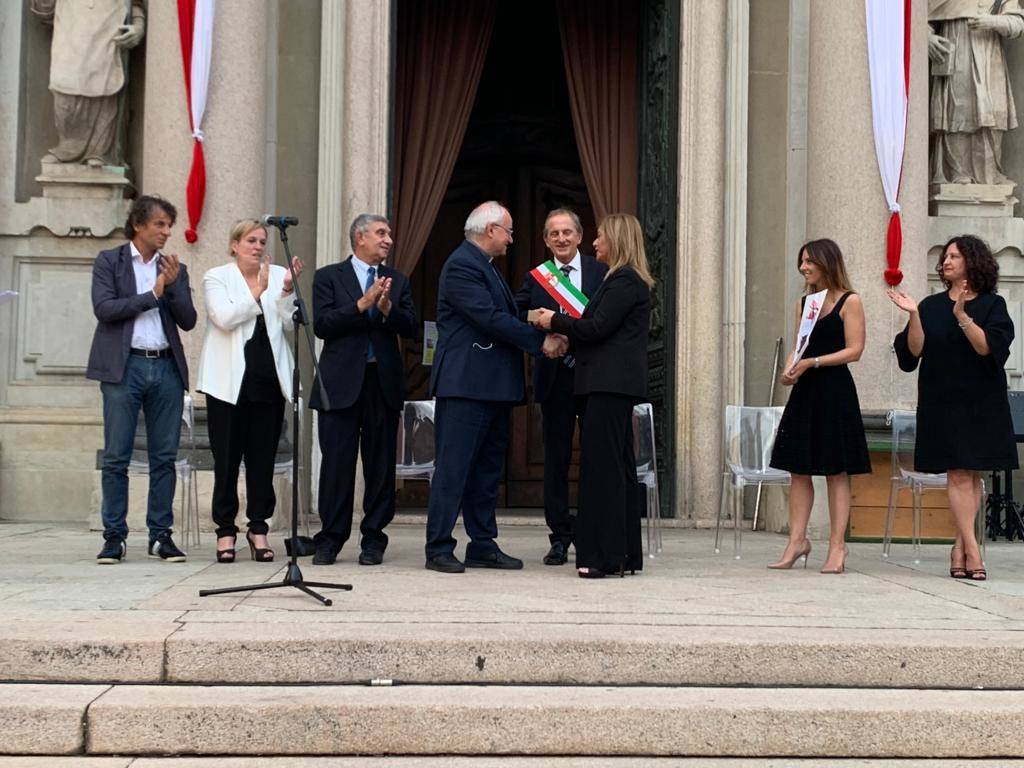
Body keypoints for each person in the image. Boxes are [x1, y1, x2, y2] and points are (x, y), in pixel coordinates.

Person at [425, 201, 567, 574]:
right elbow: (487, 319)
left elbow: (499, 316)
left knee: (487, 472)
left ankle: (482, 544)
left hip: (493, 387)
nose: (511, 239)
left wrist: (531, 318)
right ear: (491, 230)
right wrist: (540, 341)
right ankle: (439, 546)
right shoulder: (461, 265)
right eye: (508, 231)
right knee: (454, 470)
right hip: (466, 385)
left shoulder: (484, 266)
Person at [888, 234, 1017, 581]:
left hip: (981, 402)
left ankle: (959, 547)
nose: (946, 262)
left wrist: (961, 313)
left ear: (973, 262)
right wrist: (914, 315)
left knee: (971, 476)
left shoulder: (993, 305)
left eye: (954, 256)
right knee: (960, 474)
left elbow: (987, 349)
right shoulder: (930, 306)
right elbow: (911, 354)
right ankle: (972, 549)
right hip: (942, 401)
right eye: (944, 257)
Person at [531, 213, 652, 579]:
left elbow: (597, 327)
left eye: (600, 237)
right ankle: (623, 553)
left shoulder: (625, 280)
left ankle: (602, 555)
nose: (595, 243)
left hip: (608, 385)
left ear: (616, 241)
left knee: (603, 471)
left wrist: (553, 321)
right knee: (616, 469)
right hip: (608, 385)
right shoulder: (619, 280)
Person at [87, 195, 196, 564]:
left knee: (164, 457)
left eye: (169, 225)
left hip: (165, 366)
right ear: (138, 224)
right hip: (124, 366)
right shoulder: (110, 262)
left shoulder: (173, 266)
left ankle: (160, 535)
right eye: (160, 224)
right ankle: (114, 537)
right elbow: (105, 309)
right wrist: (153, 294)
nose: (167, 232)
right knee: (117, 456)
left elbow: (188, 320)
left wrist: (175, 284)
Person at [310, 214, 417, 566]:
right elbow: (323, 325)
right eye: (381, 233)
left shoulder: (398, 281)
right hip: (339, 383)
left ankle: (374, 537)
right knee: (337, 464)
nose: (388, 240)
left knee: (380, 464)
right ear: (360, 237)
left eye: (389, 233)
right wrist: (361, 305)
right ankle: (331, 538)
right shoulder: (328, 276)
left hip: (381, 383)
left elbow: (411, 326)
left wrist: (387, 309)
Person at [195, 219, 303, 564]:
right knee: (226, 460)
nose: (258, 247)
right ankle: (225, 530)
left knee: (262, 462)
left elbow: (287, 322)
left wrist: (286, 291)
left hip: (267, 381)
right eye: (251, 241)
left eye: (262, 241)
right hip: (227, 384)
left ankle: (259, 528)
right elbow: (224, 318)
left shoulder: (276, 275)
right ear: (234, 245)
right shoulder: (217, 276)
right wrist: (257, 290)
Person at [767, 239, 870, 575]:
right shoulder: (805, 303)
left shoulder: (849, 301)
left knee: (836, 471)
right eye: (802, 262)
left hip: (835, 390)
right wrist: (790, 368)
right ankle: (797, 540)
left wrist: (814, 362)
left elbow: (855, 350)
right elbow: (799, 345)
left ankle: (837, 546)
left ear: (827, 262)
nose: (804, 267)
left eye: (809, 261)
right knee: (798, 469)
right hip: (807, 391)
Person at [514, 208, 607, 566]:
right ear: (546, 239)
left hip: (593, 375)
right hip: (555, 378)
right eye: (554, 234)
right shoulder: (538, 278)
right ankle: (559, 535)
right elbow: (516, 314)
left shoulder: (601, 272)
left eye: (568, 232)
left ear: (580, 236)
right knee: (555, 460)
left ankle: (590, 531)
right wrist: (543, 327)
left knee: (594, 459)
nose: (562, 239)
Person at [30, 0, 146, 167]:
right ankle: (67, 148)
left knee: (105, 86)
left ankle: (101, 152)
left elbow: (134, 4)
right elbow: (45, 11)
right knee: (65, 92)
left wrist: (138, 26)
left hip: (107, 34)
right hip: (70, 35)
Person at [929, 0, 1024, 185]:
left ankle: (989, 174)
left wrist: (994, 22)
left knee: (993, 111)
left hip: (989, 54)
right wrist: (927, 38)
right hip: (957, 50)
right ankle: (957, 172)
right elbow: (919, 19)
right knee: (958, 111)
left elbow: (1018, 23)